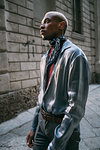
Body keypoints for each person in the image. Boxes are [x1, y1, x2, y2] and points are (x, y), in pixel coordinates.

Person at [26, 11, 91, 150]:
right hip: (41, 127)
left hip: (64, 129)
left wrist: (58, 142)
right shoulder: (45, 58)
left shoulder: (75, 55)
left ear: (61, 25)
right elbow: (41, 96)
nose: (41, 25)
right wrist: (34, 127)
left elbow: (76, 107)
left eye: (47, 21)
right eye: (42, 22)